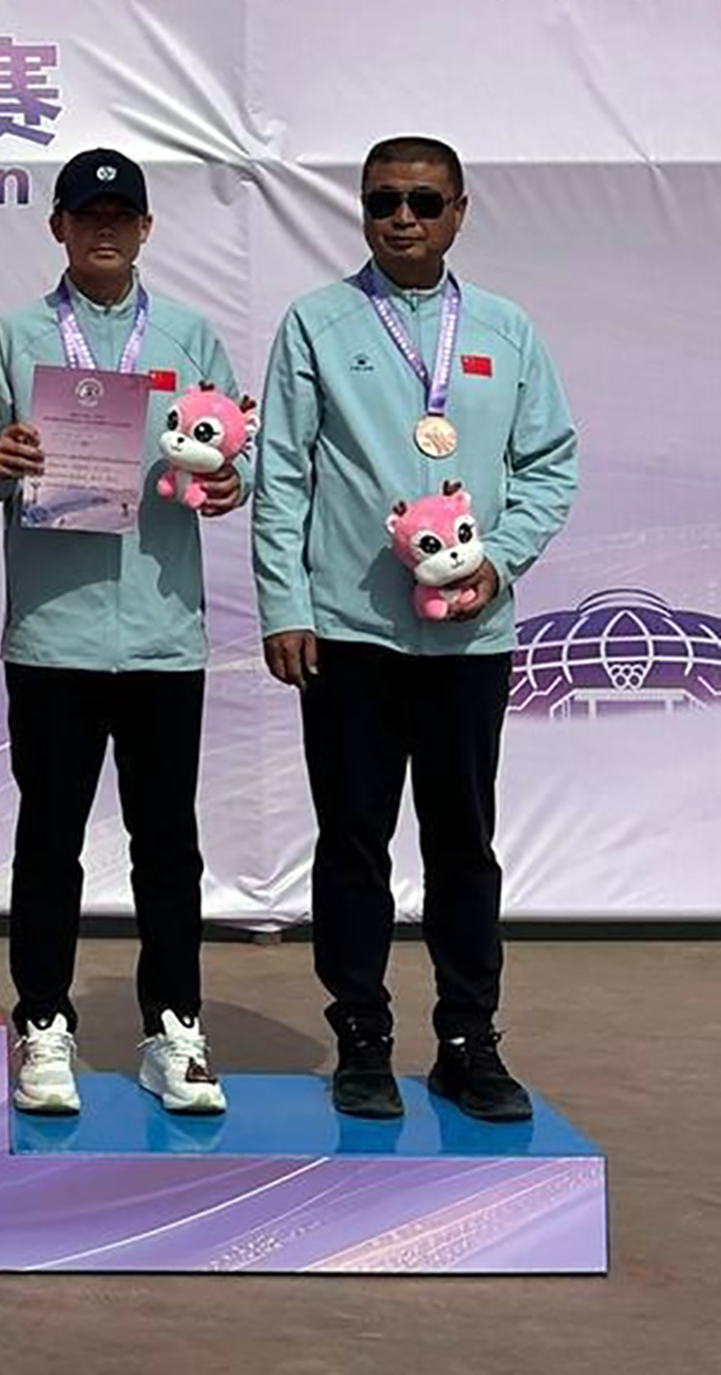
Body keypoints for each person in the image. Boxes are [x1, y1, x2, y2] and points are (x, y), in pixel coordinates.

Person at [254, 135, 578, 1123]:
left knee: (463, 842)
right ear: (362, 208)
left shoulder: (505, 330)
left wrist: (499, 559)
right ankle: (361, 1035)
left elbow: (551, 464)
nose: (403, 217)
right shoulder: (317, 322)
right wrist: (286, 604)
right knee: (354, 839)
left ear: (459, 211)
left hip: (469, 640)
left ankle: (468, 1039)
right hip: (350, 634)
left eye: (424, 201)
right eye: (383, 200)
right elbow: (283, 474)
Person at [0, 149, 239, 1116]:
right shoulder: (19, 334)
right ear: (59, 228)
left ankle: (174, 1028)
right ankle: (43, 1022)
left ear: (146, 229)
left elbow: (232, 454)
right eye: (88, 216)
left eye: (121, 216)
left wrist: (227, 481)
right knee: (49, 841)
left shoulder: (190, 335)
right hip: (53, 634)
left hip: (163, 633)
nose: (104, 230)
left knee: (169, 844)